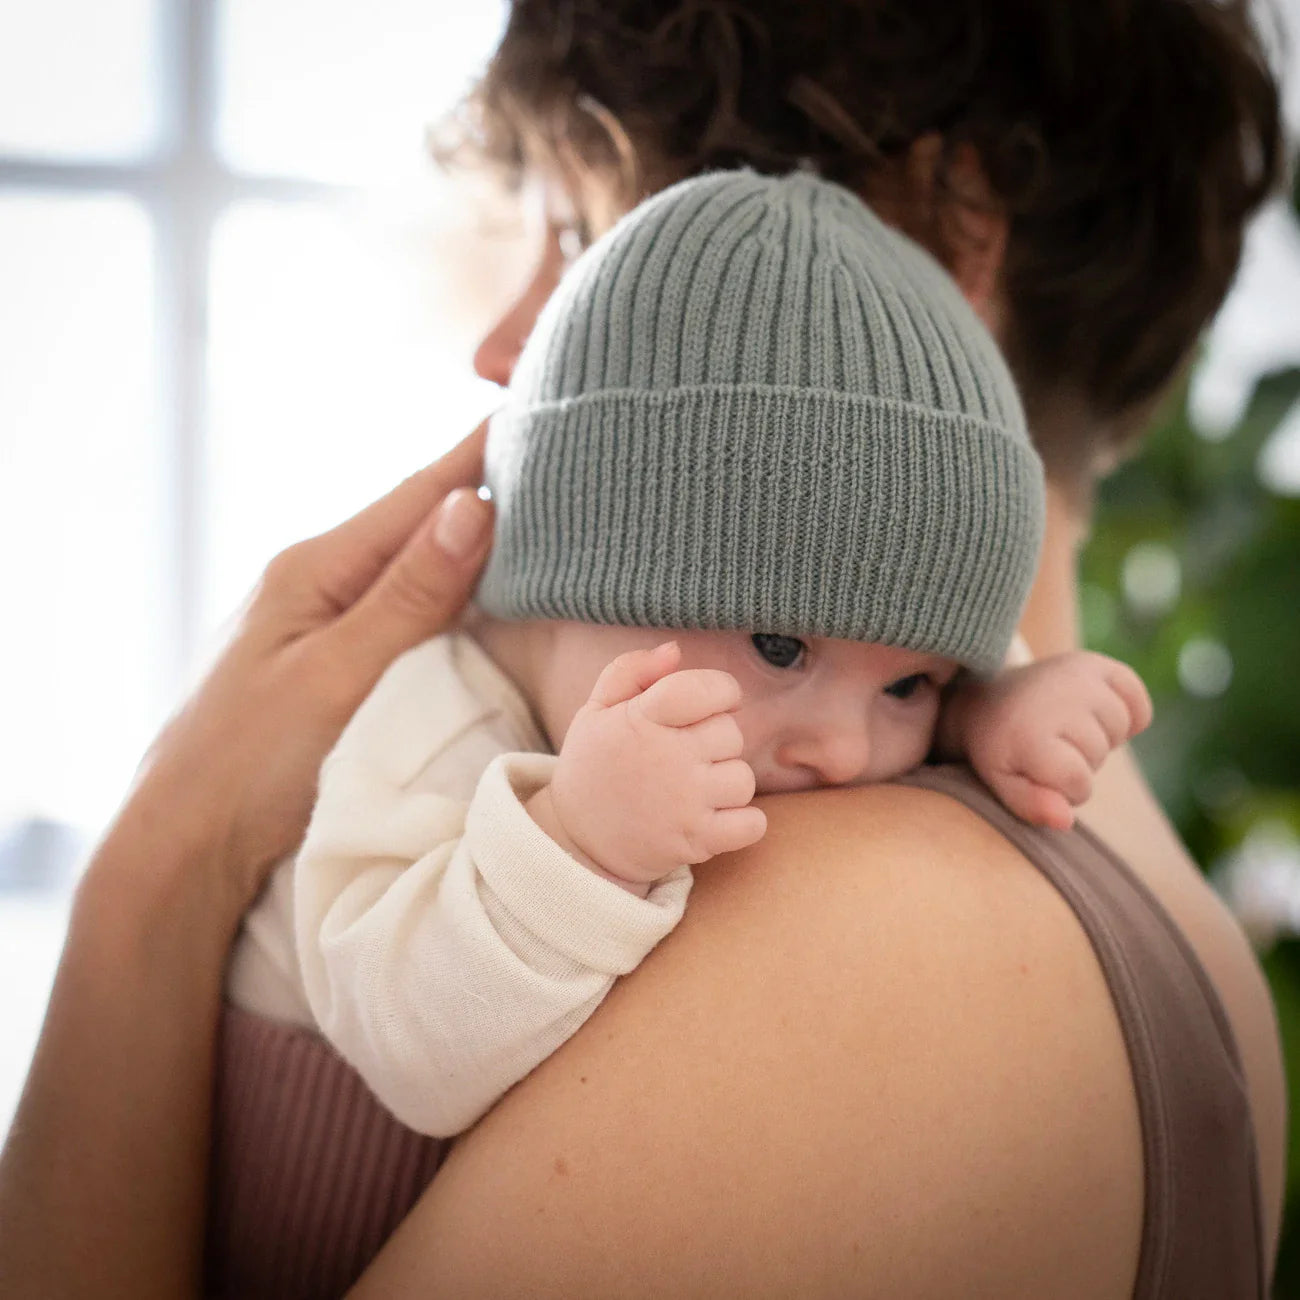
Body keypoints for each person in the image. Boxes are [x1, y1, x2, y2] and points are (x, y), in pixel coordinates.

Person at [0, 2, 1285, 1297]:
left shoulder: (848, 918)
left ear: (941, 231)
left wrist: (163, 864)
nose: (505, 349)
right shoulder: (1166, 916)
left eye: (584, 241)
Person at [221, 170, 1149, 1154]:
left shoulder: (815, 704)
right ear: (586, 575)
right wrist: (578, 842)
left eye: (910, 685)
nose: (839, 751)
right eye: (781, 646)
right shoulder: (431, 722)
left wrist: (985, 708)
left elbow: (873, 646)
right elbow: (411, 1053)